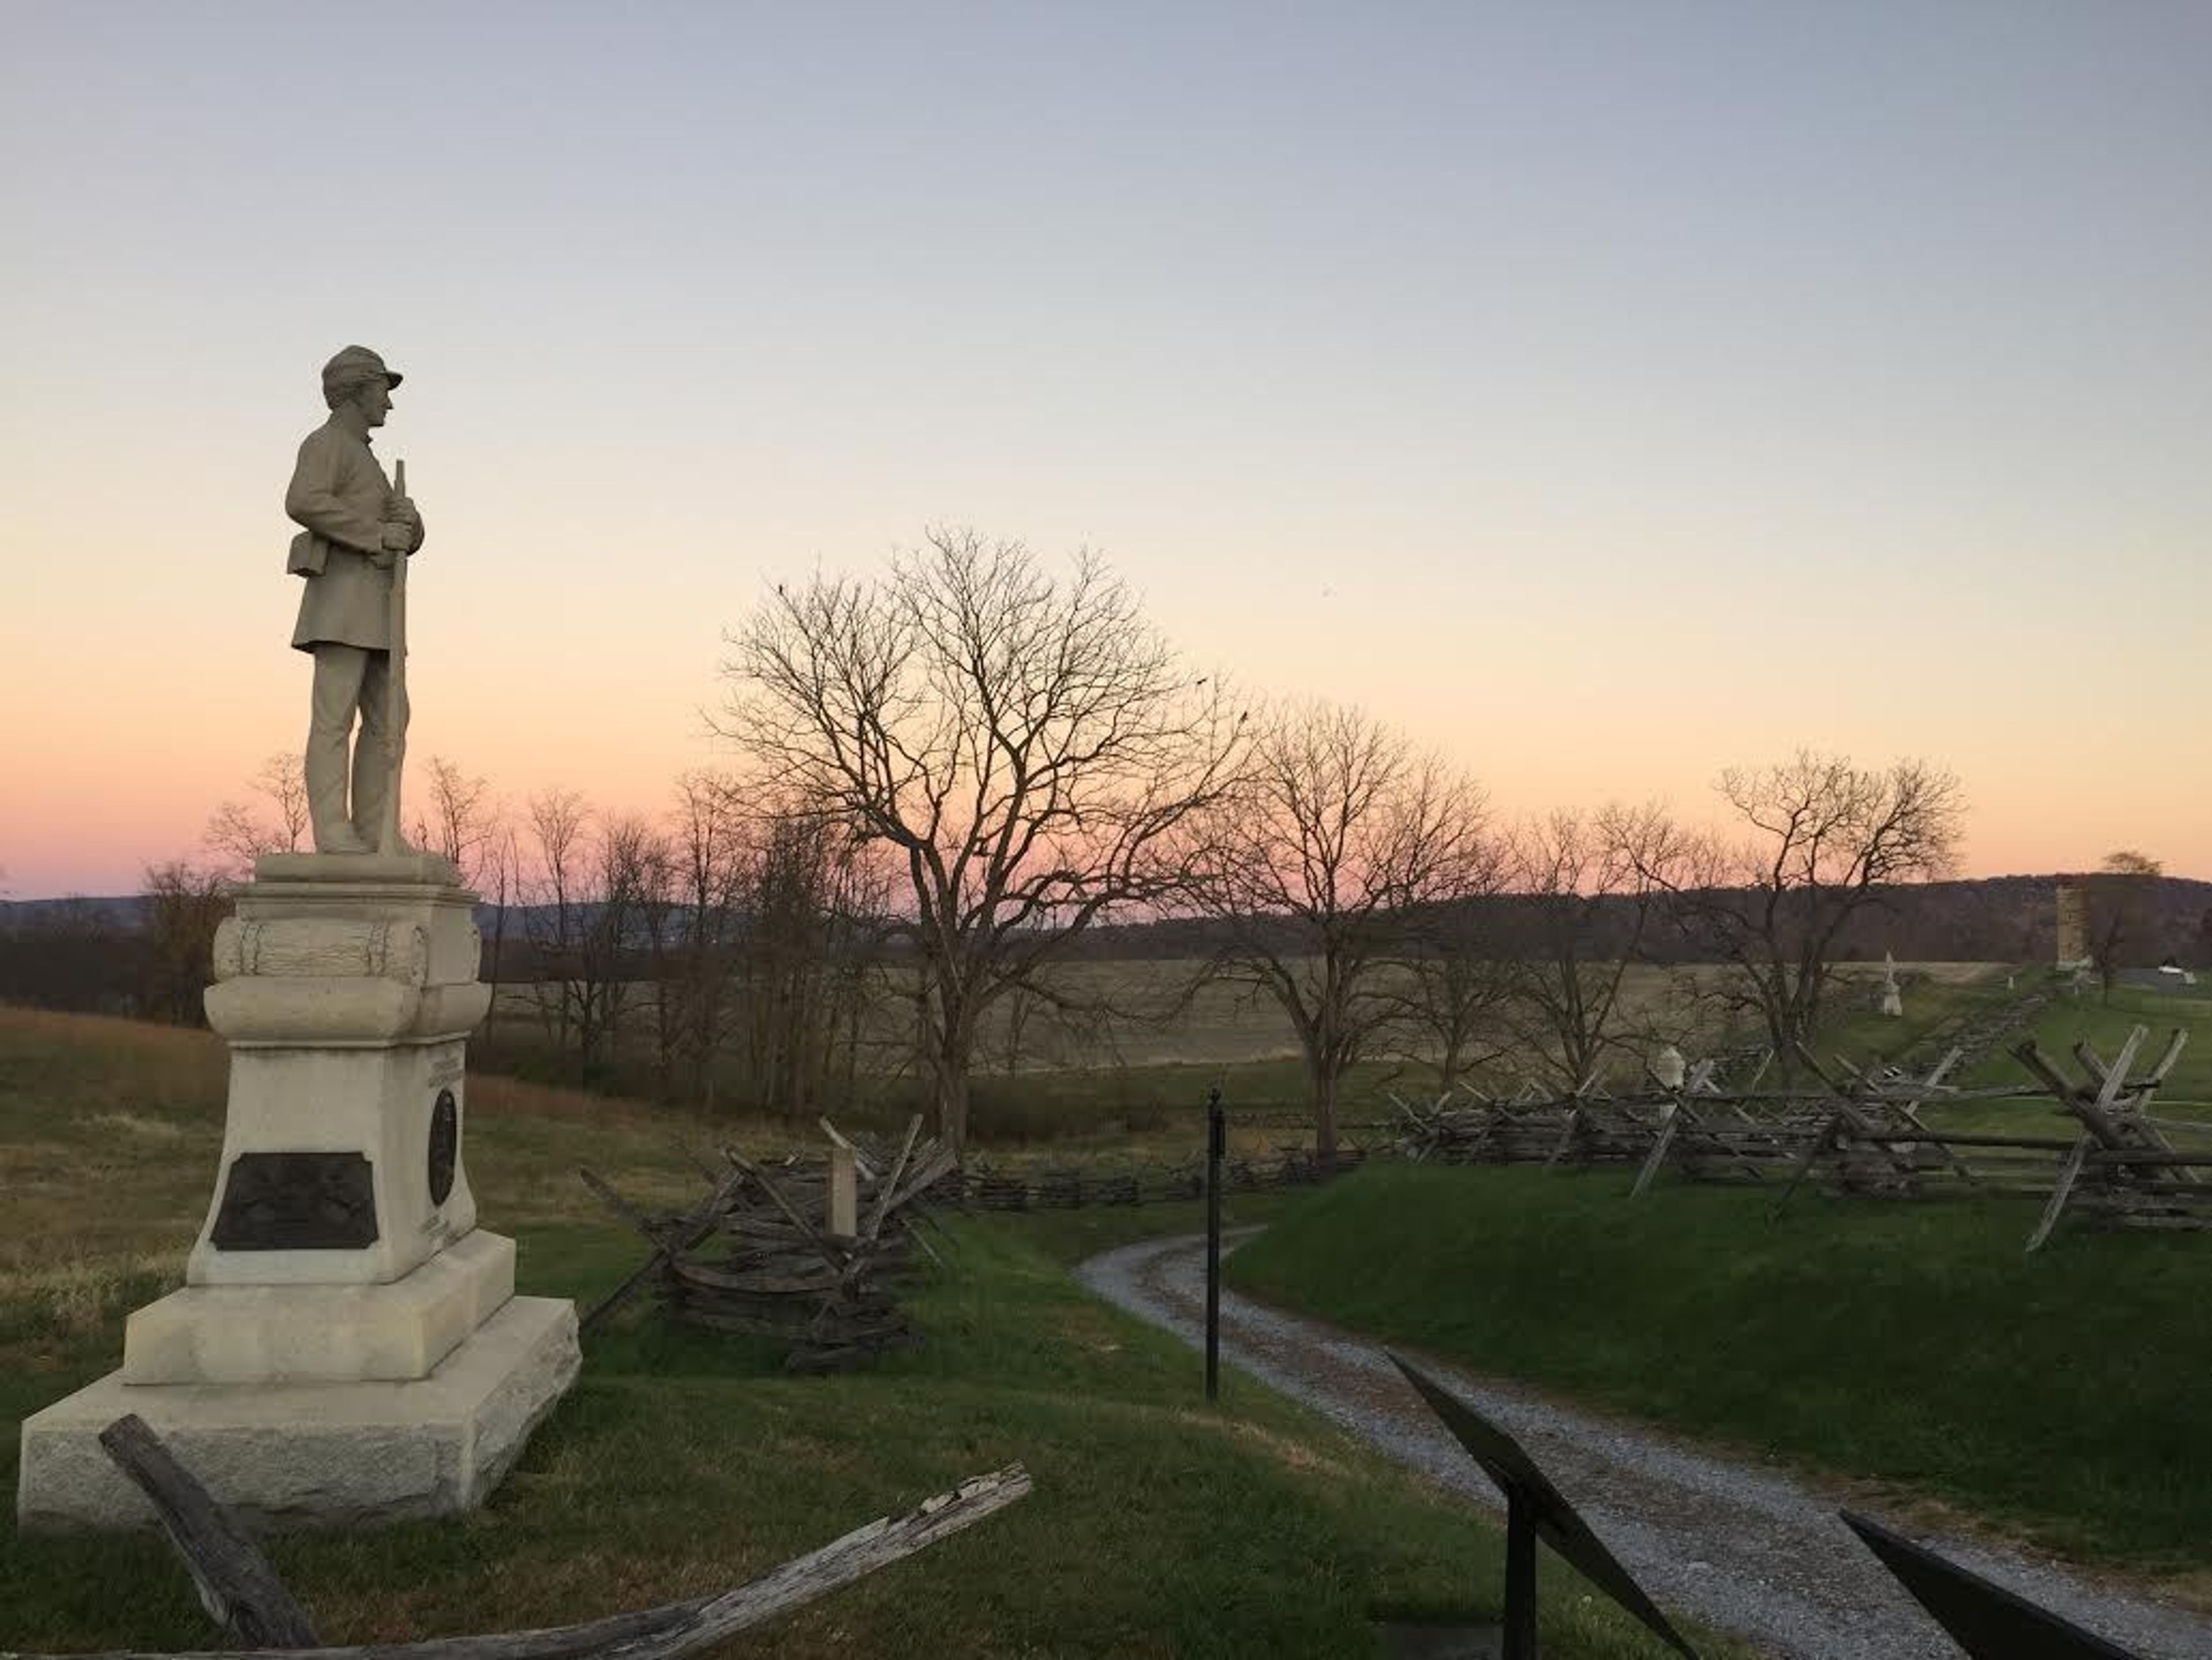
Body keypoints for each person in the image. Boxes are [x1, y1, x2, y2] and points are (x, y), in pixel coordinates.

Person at [285, 346, 425, 853]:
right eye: (383, 391)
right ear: (357, 390)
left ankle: (375, 828)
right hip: (342, 605)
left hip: (379, 608)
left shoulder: (365, 456)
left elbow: (400, 533)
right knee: (334, 718)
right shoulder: (327, 444)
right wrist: (376, 533)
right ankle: (333, 829)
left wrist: (409, 524)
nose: (388, 403)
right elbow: (302, 501)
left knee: (390, 719)